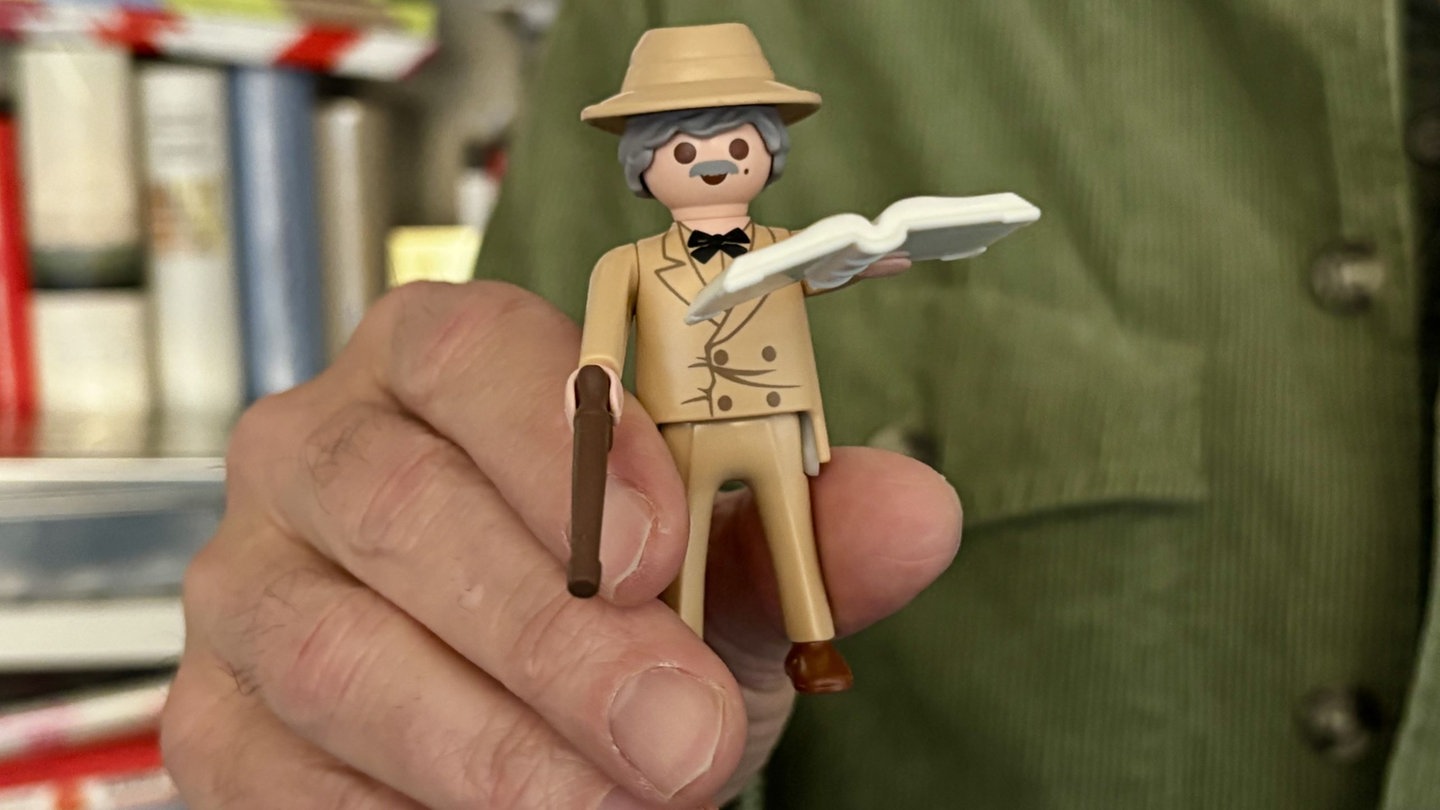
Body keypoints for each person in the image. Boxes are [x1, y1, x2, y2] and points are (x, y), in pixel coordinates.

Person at [162, 2, 1440, 809]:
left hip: (777, 422)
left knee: (791, 530)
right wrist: (567, 424)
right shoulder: (634, 248)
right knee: (696, 565)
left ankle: (815, 639)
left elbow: (825, 288)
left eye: (733, 145)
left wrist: (851, 332)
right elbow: (567, 379)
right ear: (642, 163)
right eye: (687, 148)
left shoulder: (786, 246)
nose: (713, 163)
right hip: (688, 439)